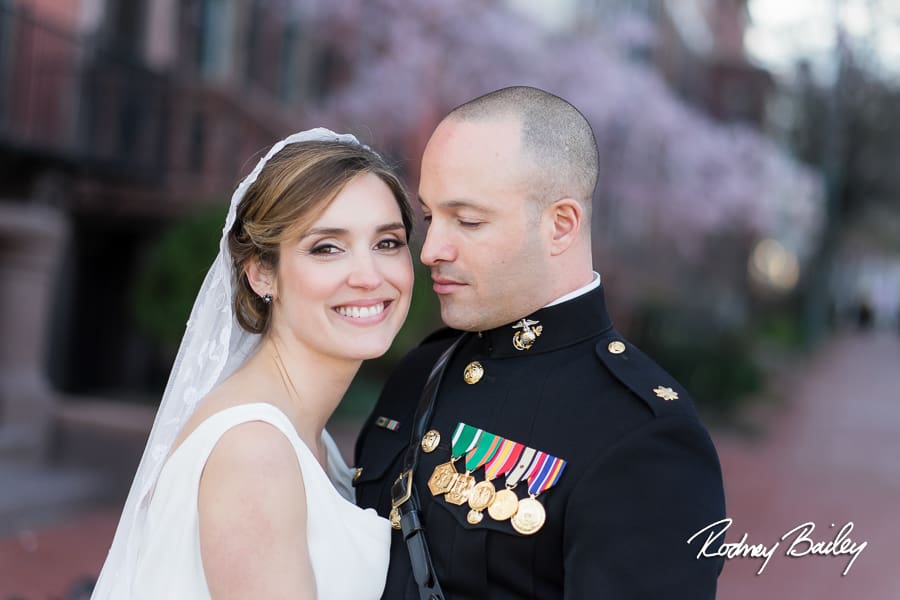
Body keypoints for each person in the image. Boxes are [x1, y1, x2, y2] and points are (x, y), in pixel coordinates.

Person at [354, 86, 727, 598]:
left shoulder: (641, 434)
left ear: (560, 225)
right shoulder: (423, 368)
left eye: (468, 221)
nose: (431, 250)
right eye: (430, 218)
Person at [92, 128, 415, 599]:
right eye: (327, 247)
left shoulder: (304, 434)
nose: (369, 276)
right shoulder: (255, 453)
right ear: (262, 273)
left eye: (387, 242)